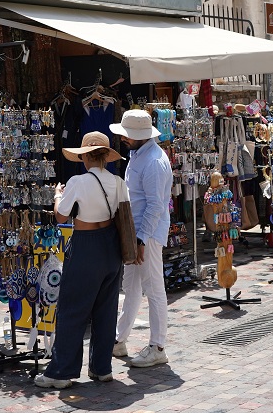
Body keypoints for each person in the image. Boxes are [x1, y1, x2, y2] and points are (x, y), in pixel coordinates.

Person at [34, 132, 127, 389]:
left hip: (86, 245)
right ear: (105, 157)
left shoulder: (78, 181)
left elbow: (61, 217)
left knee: (73, 309)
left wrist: (57, 195)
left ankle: (61, 372)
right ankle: (102, 367)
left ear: (85, 156)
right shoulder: (118, 181)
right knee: (105, 311)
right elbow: (125, 215)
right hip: (111, 245)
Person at [110, 109, 173, 367]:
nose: (124, 139)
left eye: (127, 135)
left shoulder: (154, 162)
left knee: (153, 286)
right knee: (132, 285)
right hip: (136, 231)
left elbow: (156, 206)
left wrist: (142, 239)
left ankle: (158, 346)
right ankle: (119, 339)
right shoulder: (139, 155)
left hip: (147, 233)